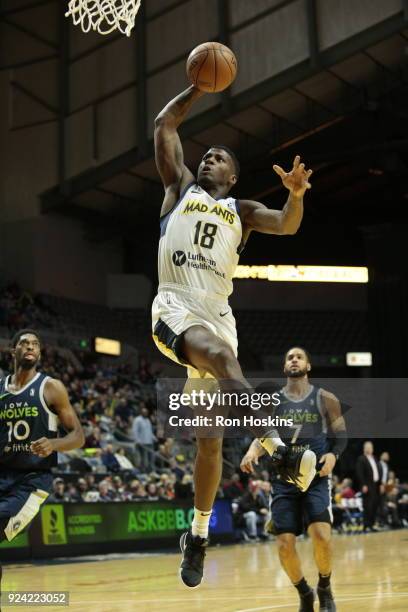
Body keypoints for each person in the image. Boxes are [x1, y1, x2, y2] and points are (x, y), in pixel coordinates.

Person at [152, 81, 315, 588]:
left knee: (208, 443)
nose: (208, 159)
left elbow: (288, 226)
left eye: (219, 157)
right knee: (222, 357)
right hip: (176, 307)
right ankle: (279, 451)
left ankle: (197, 535)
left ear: (234, 174)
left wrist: (295, 194)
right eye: (205, 155)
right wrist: (199, 86)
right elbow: (164, 126)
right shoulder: (178, 188)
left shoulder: (240, 212)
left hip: (218, 313)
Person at [241, 347, 347, 612]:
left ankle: (325, 587)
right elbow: (262, 434)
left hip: (316, 478)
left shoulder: (325, 398)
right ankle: (304, 592)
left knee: (321, 536)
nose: (294, 360)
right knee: (284, 544)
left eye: (299, 357)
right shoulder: (273, 401)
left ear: (308, 366)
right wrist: (252, 451)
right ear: (284, 367)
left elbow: (341, 435)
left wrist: (334, 455)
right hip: (283, 479)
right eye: (290, 357)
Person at [0, 329, 85, 584]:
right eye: (24, 343)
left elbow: (78, 435)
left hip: (32, 481)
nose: (30, 347)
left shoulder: (51, 387)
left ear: (39, 352)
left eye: (35, 344)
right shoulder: (1, 389)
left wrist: (54, 443)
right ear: (12, 350)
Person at [356, 441, 382, 532]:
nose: (370, 449)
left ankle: (371, 524)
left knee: (374, 505)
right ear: (365, 448)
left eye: (371, 447)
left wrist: (381, 484)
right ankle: (366, 525)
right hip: (367, 485)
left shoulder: (375, 458)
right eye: (368, 447)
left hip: (376, 485)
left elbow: (378, 471)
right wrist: (363, 484)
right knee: (368, 506)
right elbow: (359, 473)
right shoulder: (361, 459)